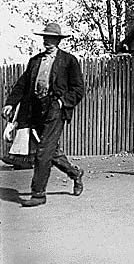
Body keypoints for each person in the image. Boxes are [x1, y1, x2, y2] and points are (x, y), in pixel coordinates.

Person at [1, 23, 85, 207]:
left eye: (52, 38)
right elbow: (22, 85)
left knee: (43, 151)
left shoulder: (68, 61)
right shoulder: (35, 61)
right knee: (51, 152)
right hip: (35, 111)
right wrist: (10, 103)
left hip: (55, 110)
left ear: (58, 40)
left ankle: (38, 194)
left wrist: (62, 102)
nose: (48, 41)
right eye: (45, 38)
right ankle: (75, 173)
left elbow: (79, 89)